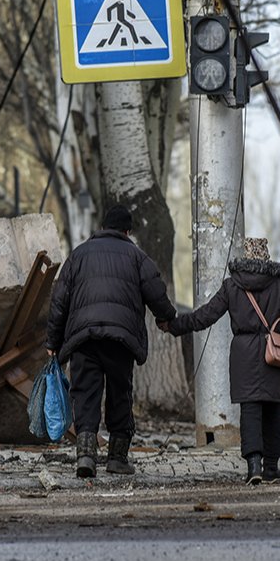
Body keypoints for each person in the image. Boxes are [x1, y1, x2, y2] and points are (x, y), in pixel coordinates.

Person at [46, 204, 177, 478]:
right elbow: (156, 292)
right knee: (120, 394)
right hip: (121, 338)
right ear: (127, 231)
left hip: (84, 337)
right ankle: (117, 458)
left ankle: (85, 456)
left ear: (103, 227)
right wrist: (167, 317)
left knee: (85, 394)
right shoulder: (137, 256)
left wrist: (53, 342)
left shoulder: (78, 255)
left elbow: (59, 301)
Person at [163, 238, 280, 485]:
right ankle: (272, 466)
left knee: (250, 409)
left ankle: (254, 467)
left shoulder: (232, 286)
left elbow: (205, 316)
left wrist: (175, 325)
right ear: (266, 257)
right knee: (273, 408)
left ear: (245, 257)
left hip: (244, 355)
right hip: (275, 352)